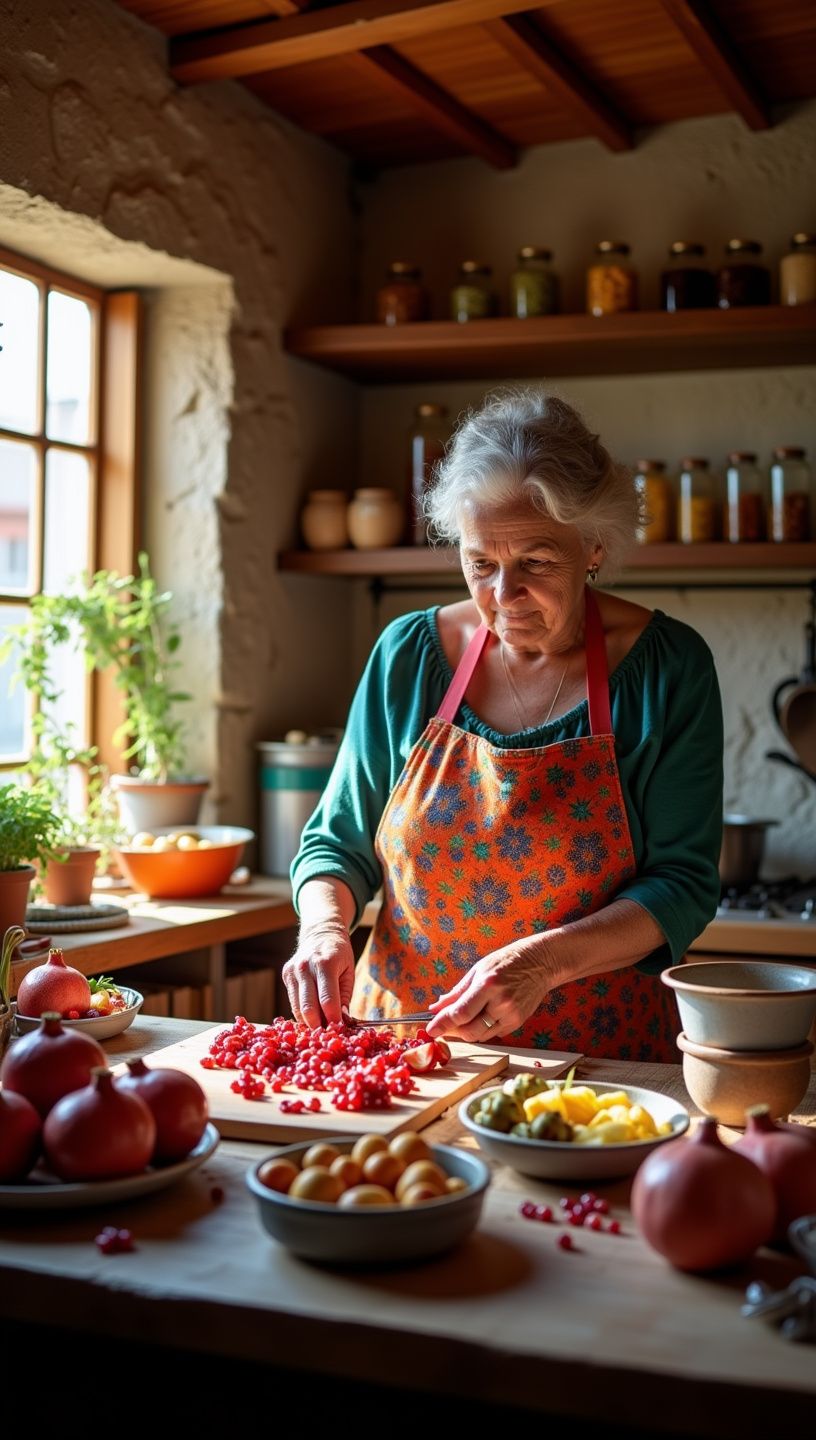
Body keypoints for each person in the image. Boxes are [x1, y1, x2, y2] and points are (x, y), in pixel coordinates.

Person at [285, 390, 723, 1061]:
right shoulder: (410, 657)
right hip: (404, 1051)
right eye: (480, 563)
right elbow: (336, 844)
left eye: (537, 563)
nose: (501, 596)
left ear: (595, 546)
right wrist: (322, 929)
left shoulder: (667, 669)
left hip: (601, 1067)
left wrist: (544, 963)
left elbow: (681, 885)